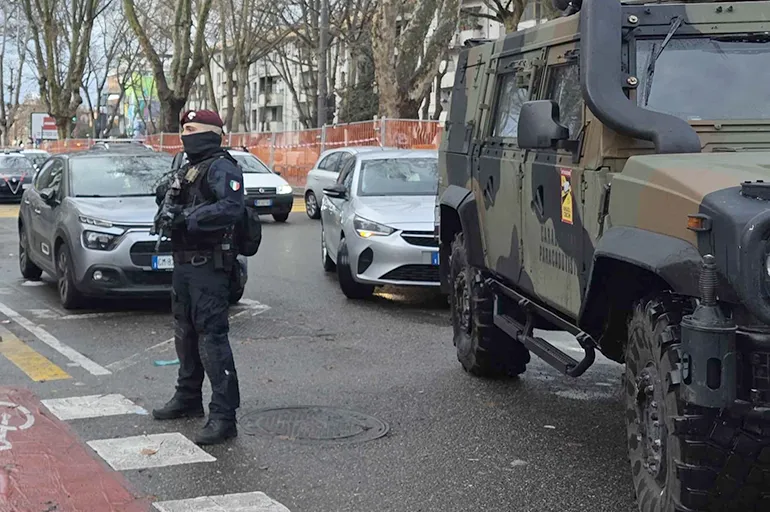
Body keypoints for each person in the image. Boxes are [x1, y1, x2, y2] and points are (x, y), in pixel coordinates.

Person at [152, 109, 244, 445]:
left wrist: (187, 217)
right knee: (185, 334)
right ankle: (188, 397)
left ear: (209, 132)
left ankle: (223, 415)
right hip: (185, 266)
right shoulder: (188, 166)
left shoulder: (221, 166)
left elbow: (231, 207)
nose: (185, 135)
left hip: (209, 266)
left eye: (191, 129)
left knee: (211, 338)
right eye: (183, 129)